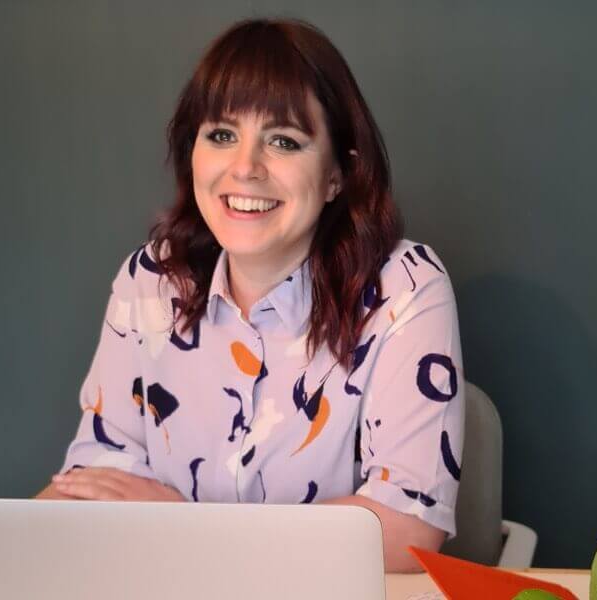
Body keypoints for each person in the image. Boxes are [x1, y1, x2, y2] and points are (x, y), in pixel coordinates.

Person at [35, 18, 465, 574]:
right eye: (221, 135)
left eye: (283, 141)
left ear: (338, 174)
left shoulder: (403, 289)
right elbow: (93, 486)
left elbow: (407, 529)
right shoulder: (151, 281)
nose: (244, 168)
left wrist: (187, 525)